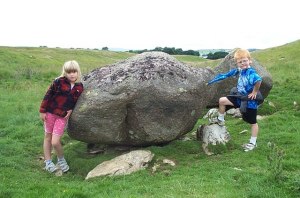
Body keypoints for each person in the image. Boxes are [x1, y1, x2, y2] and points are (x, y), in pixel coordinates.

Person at [207, 49, 262, 152]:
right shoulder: (240, 70)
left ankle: (253, 143)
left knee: (253, 122)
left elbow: (258, 80)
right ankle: (221, 120)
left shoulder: (251, 73)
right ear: (237, 63)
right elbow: (229, 74)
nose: (242, 63)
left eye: (244, 61)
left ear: (250, 60)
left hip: (249, 101)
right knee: (222, 101)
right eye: (240, 62)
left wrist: (254, 92)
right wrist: (217, 78)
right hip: (239, 97)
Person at [39, 60, 84, 173]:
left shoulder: (79, 87)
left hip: (62, 117)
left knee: (55, 141)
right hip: (50, 113)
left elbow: (75, 102)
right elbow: (48, 96)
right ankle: (48, 162)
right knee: (48, 137)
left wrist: (71, 110)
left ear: (78, 72)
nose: (72, 74)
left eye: (74, 72)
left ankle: (61, 160)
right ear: (65, 72)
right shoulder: (58, 82)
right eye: (69, 72)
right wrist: (42, 111)